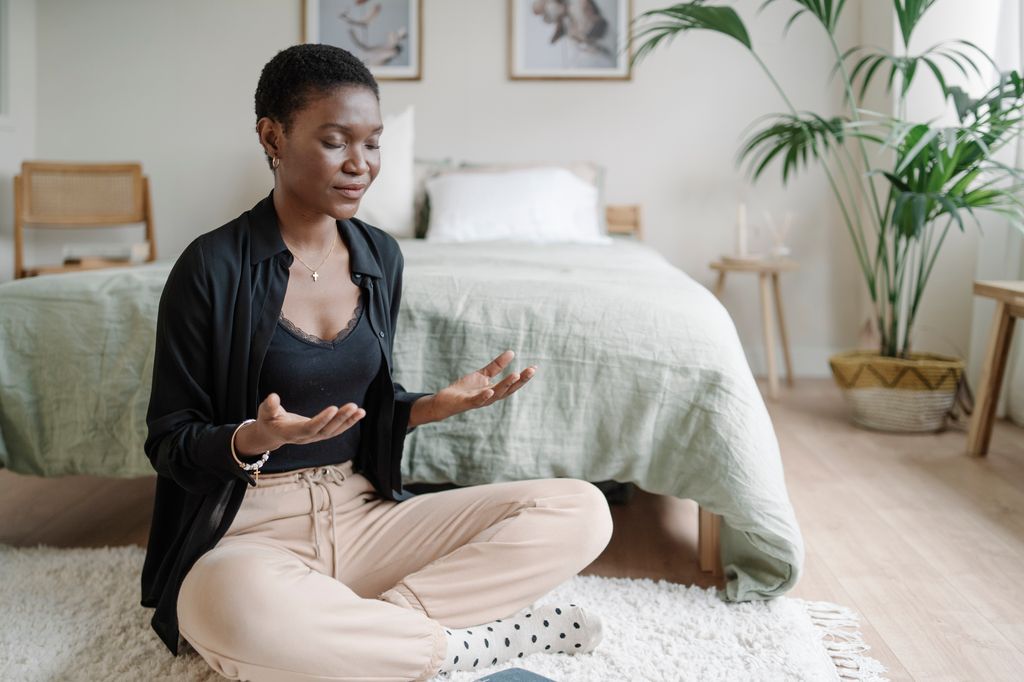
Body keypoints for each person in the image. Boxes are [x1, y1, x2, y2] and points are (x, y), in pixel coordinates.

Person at [140, 43, 614, 682]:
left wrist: (428, 408)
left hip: (364, 517)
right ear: (272, 136)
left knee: (582, 510)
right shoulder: (212, 267)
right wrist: (252, 437)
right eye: (336, 141)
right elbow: (170, 442)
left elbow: (364, 411)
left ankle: (374, 635)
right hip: (249, 532)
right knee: (234, 611)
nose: (360, 165)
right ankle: (456, 649)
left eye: (374, 143)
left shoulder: (379, 256)